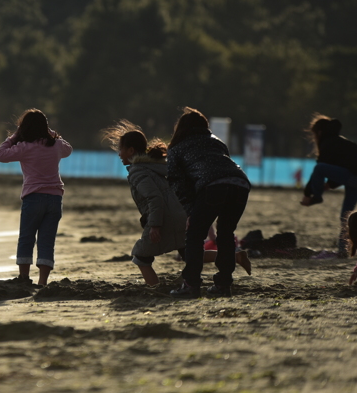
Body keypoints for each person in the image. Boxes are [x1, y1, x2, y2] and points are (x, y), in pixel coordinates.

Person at [103, 120, 251, 287]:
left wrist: (155, 225)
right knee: (191, 253)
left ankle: (154, 289)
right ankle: (235, 256)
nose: (119, 154)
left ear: (130, 150)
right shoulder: (157, 166)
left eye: (120, 149)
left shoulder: (138, 172)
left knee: (141, 257)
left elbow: (155, 199)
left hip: (166, 219)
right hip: (181, 215)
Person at [166, 107, 251, 298]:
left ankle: (191, 285)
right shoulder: (217, 142)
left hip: (213, 187)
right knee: (226, 234)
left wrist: (189, 211)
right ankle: (223, 285)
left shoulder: (177, 147)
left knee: (194, 236)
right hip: (240, 183)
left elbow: (176, 181)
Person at [0, 109, 73, 287]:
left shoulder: (24, 147)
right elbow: (69, 149)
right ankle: (42, 282)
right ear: (45, 127)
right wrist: (51, 133)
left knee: (27, 237)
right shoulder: (56, 145)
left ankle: (23, 278)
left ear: (25, 129)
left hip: (33, 198)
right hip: (54, 198)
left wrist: (14, 136)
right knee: (47, 240)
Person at [300, 115, 357, 256]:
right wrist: (330, 184)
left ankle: (317, 198)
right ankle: (343, 250)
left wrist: (310, 194)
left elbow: (320, 169)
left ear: (319, 132)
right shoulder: (340, 142)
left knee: (319, 168)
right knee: (346, 216)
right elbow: (347, 166)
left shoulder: (328, 144)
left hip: (355, 177)